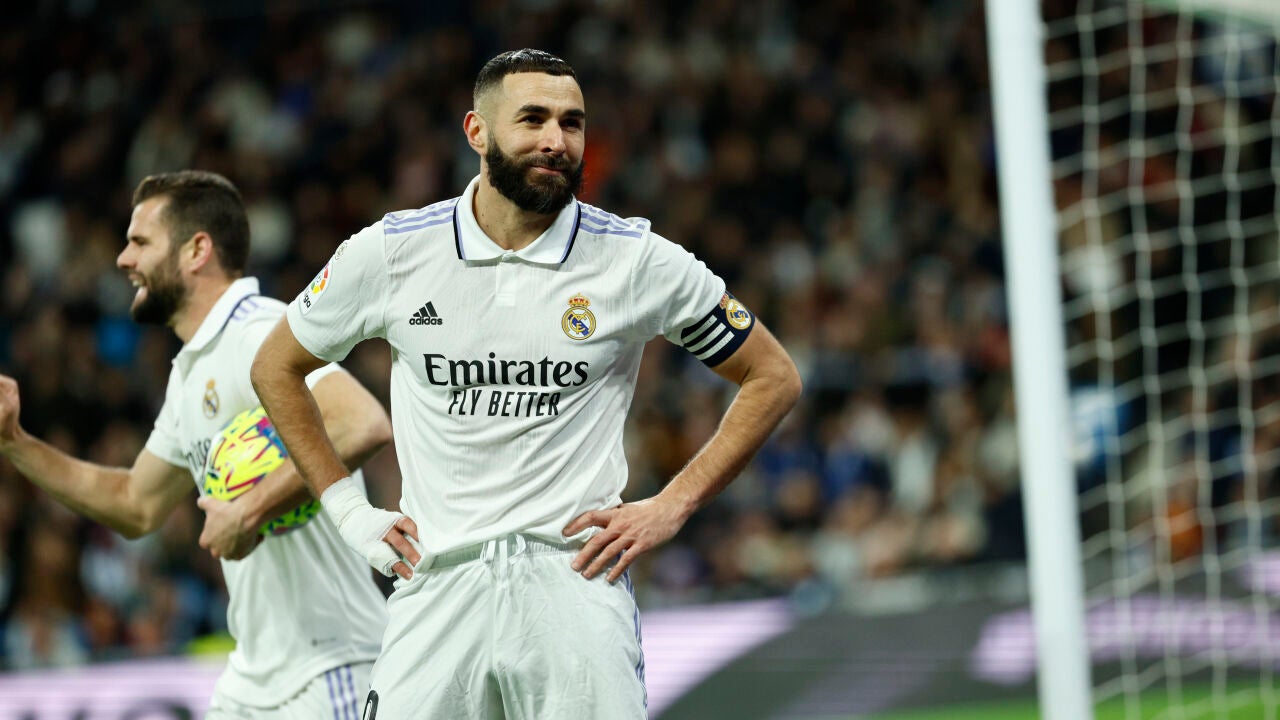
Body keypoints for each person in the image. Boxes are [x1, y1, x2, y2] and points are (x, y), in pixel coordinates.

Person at [251, 49, 802, 720]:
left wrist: (673, 505)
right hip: (437, 582)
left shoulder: (633, 259)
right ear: (477, 132)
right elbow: (275, 366)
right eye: (533, 119)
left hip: (575, 582)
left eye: (572, 123)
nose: (556, 140)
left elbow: (772, 375)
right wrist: (347, 511)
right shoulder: (394, 252)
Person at [0, 170, 392, 719]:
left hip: (330, 669)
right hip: (253, 680)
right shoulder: (190, 373)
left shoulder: (257, 330)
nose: (123, 259)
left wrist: (248, 510)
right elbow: (134, 504)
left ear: (196, 250)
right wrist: (14, 441)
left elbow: (362, 423)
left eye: (140, 242)